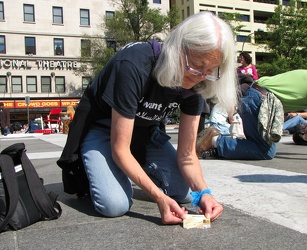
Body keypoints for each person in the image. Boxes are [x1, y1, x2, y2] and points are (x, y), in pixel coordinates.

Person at [57, 12, 239, 224]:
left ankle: (134, 169)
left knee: (184, 193)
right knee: (114, 204)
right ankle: (98, 168)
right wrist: (159, 197)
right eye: (197, 65)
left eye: (209, 70)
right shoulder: (134, 65)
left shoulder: (199, 83)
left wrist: (204, 194)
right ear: (177, 48)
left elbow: (188, 155)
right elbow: (120, 148)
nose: (200, 76)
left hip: (146, 131)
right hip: (104, 129)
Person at [197, 69, 307, 160]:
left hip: (254, 96)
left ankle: (214, 147)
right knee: (265, 151)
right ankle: (215, 140)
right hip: (260, 100)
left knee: (256, 144)